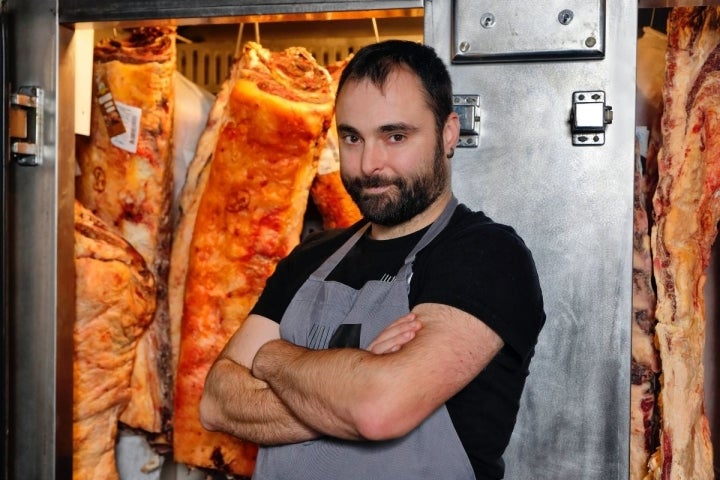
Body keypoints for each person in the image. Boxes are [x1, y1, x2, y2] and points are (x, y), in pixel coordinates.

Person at [199, 39, 545, 480]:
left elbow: (377, 410)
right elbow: (216, 401)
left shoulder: (487, 255)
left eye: (395, 136)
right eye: (352, 137)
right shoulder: (310, 258)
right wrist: (351, 382)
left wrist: (269, 357)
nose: (369, 164)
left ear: (449, 133)